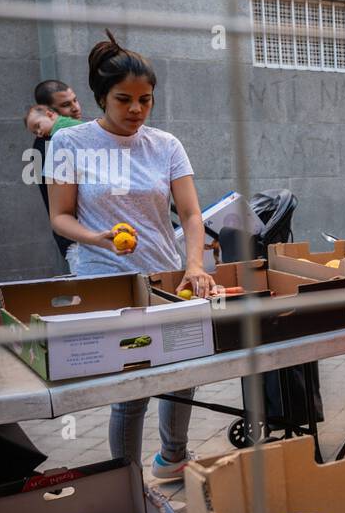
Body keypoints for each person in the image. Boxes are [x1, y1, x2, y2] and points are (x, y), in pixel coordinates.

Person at [45, 31, 214, 480]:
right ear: (102, 97)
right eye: (124, 100)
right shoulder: (70, 144)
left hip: (163, 274)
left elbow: (192, 215)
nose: (136, 110)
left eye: (146, 100)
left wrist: (194, 264)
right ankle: (126, 480)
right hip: (107, 280)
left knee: (182, 370)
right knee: (133, 384)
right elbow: (60, 217)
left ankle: (173, 459)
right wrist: (97, 237)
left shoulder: (166, 145)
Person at [29, 80, 83, 261]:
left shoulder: (74, 137)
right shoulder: (46, 146)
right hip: (79, 244)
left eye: (75, 100)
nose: (75, 108)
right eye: (66, 105)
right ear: (49, 112)